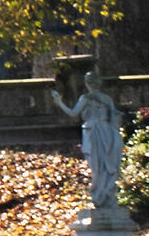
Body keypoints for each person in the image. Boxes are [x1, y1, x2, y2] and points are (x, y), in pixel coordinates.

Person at [52, 71, 125, 209]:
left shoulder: (85, 98)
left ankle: (99, 194)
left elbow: (73, 113)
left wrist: (59, 100)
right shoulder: (107, 99)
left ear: (87, 83)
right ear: (99, 83)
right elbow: (114, 118)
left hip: (93, 132)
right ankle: (104, 194)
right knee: (105, 163)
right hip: (107, 132)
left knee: (96, 165)